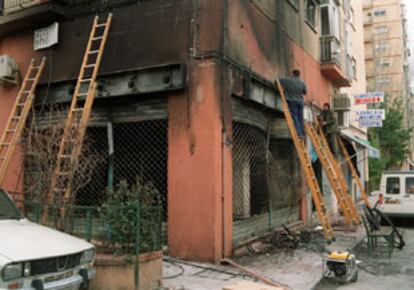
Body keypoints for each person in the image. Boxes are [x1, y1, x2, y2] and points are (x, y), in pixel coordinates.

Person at [279, 69, 307, 138]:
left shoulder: (287, 80)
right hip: (300, 102)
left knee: (295, 117)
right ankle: (303, 134)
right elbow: (305, 92)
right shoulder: (302, 82)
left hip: (292, 101)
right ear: (299, 75)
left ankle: (299, 134)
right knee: (300, 118)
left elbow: (278, 80)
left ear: (293, 74)